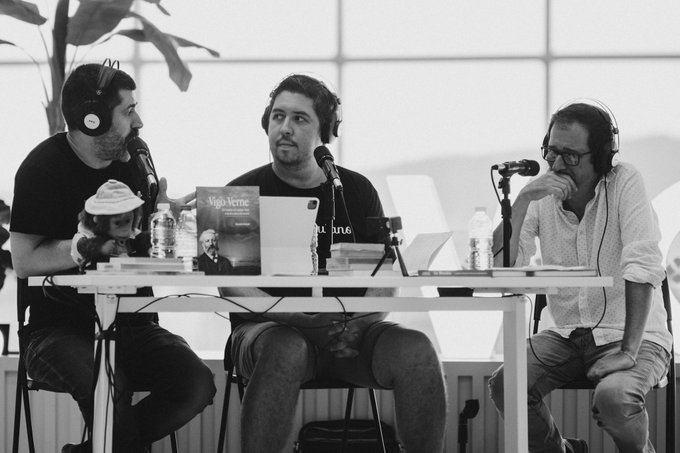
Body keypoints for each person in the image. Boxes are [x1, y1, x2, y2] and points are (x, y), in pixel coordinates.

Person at [218, 74, 447, 453]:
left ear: (326, 131)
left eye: (299, 118)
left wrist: (357, 324)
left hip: (349, 335)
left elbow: (384, 276)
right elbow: (233, 288)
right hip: (266, 332)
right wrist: (303, 320)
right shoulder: (238, 193)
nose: (285, 128)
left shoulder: (356, 189)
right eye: (277, 116)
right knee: (286, 347)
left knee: (416, 349)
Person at [10, 62, 215, 453]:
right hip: (57, 331)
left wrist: (163, 220)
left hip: (133, 323)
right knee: (109, 384)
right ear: (93, 119)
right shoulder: (42, 169)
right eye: (128, 110)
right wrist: (84, 245)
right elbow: (24, 260)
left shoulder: (135, 162)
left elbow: (142, 247)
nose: (138, 122)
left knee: (196, 384)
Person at [488, 101, 672, 453]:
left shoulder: (625, 181)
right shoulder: (541, 194)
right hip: (567, 333)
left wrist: (628, 351)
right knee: (506, 385)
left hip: (634, 335)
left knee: (614, 398)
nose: (557, 164)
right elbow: (504, 270)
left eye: (570, 155)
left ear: (602, 156)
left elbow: (642, 264)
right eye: (551, 151)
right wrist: (522, 200)